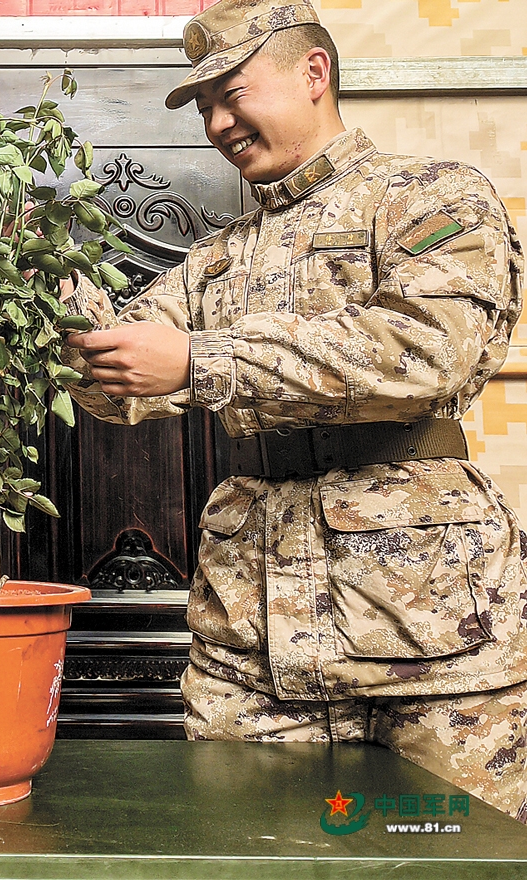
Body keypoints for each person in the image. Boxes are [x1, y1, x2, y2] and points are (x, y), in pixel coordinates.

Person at [62, 0, 527, 820]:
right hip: (253, 641)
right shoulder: (215, 259)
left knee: (451, 855)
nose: (215, 122)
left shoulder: (428, 197)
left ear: (315, 74)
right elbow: (120, 393)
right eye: (203, 105)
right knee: (255, 856)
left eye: (232, 92)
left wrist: (202, 360)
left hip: (429, 639)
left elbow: (430, 351)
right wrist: (82, 335)